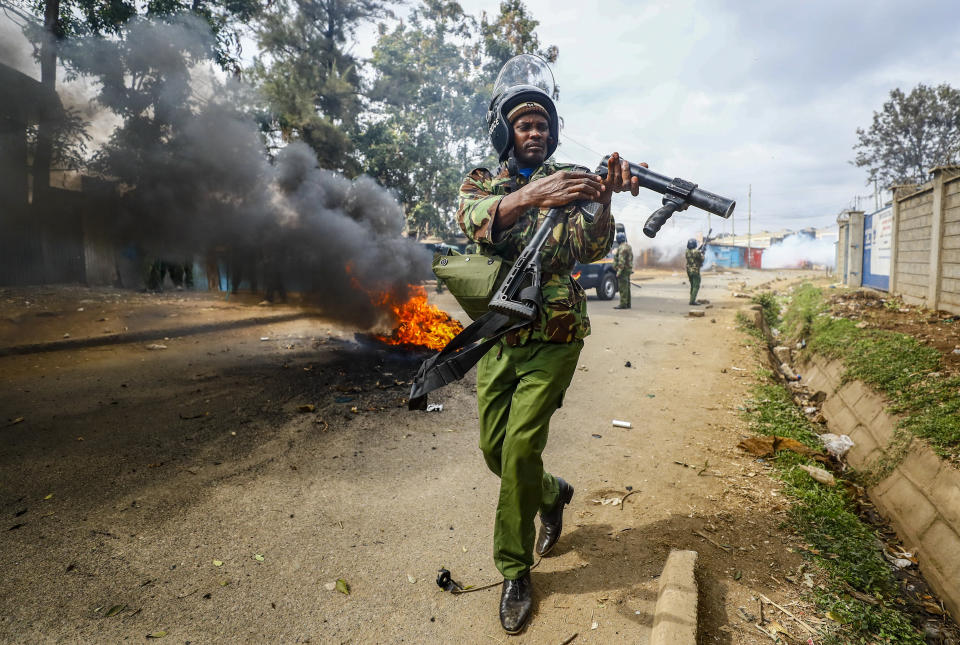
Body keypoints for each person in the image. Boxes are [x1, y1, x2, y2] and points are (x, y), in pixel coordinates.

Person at [456, 54, 643, 634]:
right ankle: (554, 493)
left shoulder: (574, 180)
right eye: (523, 124)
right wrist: (533, 197)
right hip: (500, 334)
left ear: (552, 133)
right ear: (506, 133)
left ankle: (514, 571)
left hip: (556, 336)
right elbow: (473, 219)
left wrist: (606, 198)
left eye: (541, 125)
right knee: (495, 450)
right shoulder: (484, 182)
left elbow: (589, 247)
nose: (533, 132)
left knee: (517, 450)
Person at [612, 227, 633, 309]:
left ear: (618, 240)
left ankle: (623, 304)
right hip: (628, 269)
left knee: (623, 288)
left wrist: (619, 272)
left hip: (623, 271)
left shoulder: (622, 248)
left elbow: (621, 261)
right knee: (627, 287)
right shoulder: (628, 246)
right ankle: (628, 303)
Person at [686, 238, 704, 305]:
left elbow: (694, 254)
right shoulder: (696, 252)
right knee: (696, 286)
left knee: (692, 285)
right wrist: (702, 253)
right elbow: (701, 259)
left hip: (689, 270)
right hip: (695, 270)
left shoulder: (687, 251)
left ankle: (692, 298)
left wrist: (700, 250)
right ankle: (692, 301)